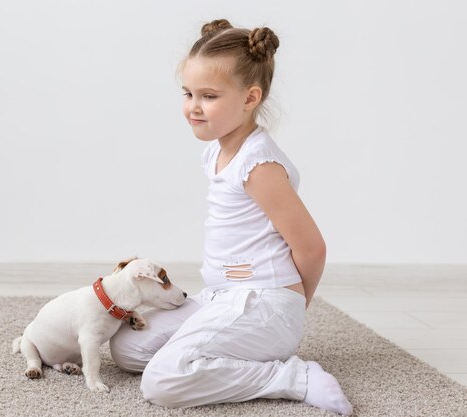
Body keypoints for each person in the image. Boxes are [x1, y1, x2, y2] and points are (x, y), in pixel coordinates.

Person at [109, 19, 353, 416]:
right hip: (223, 298)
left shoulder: (258, 165)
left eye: (209, 96)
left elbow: (311, 247)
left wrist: (291, 309)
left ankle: (294, 378)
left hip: (263, 302)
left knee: (161, 380)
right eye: (187, 93)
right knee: (128, 349)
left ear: (250, 97)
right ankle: (213, 355)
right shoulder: (218, 151)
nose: (193, 106)